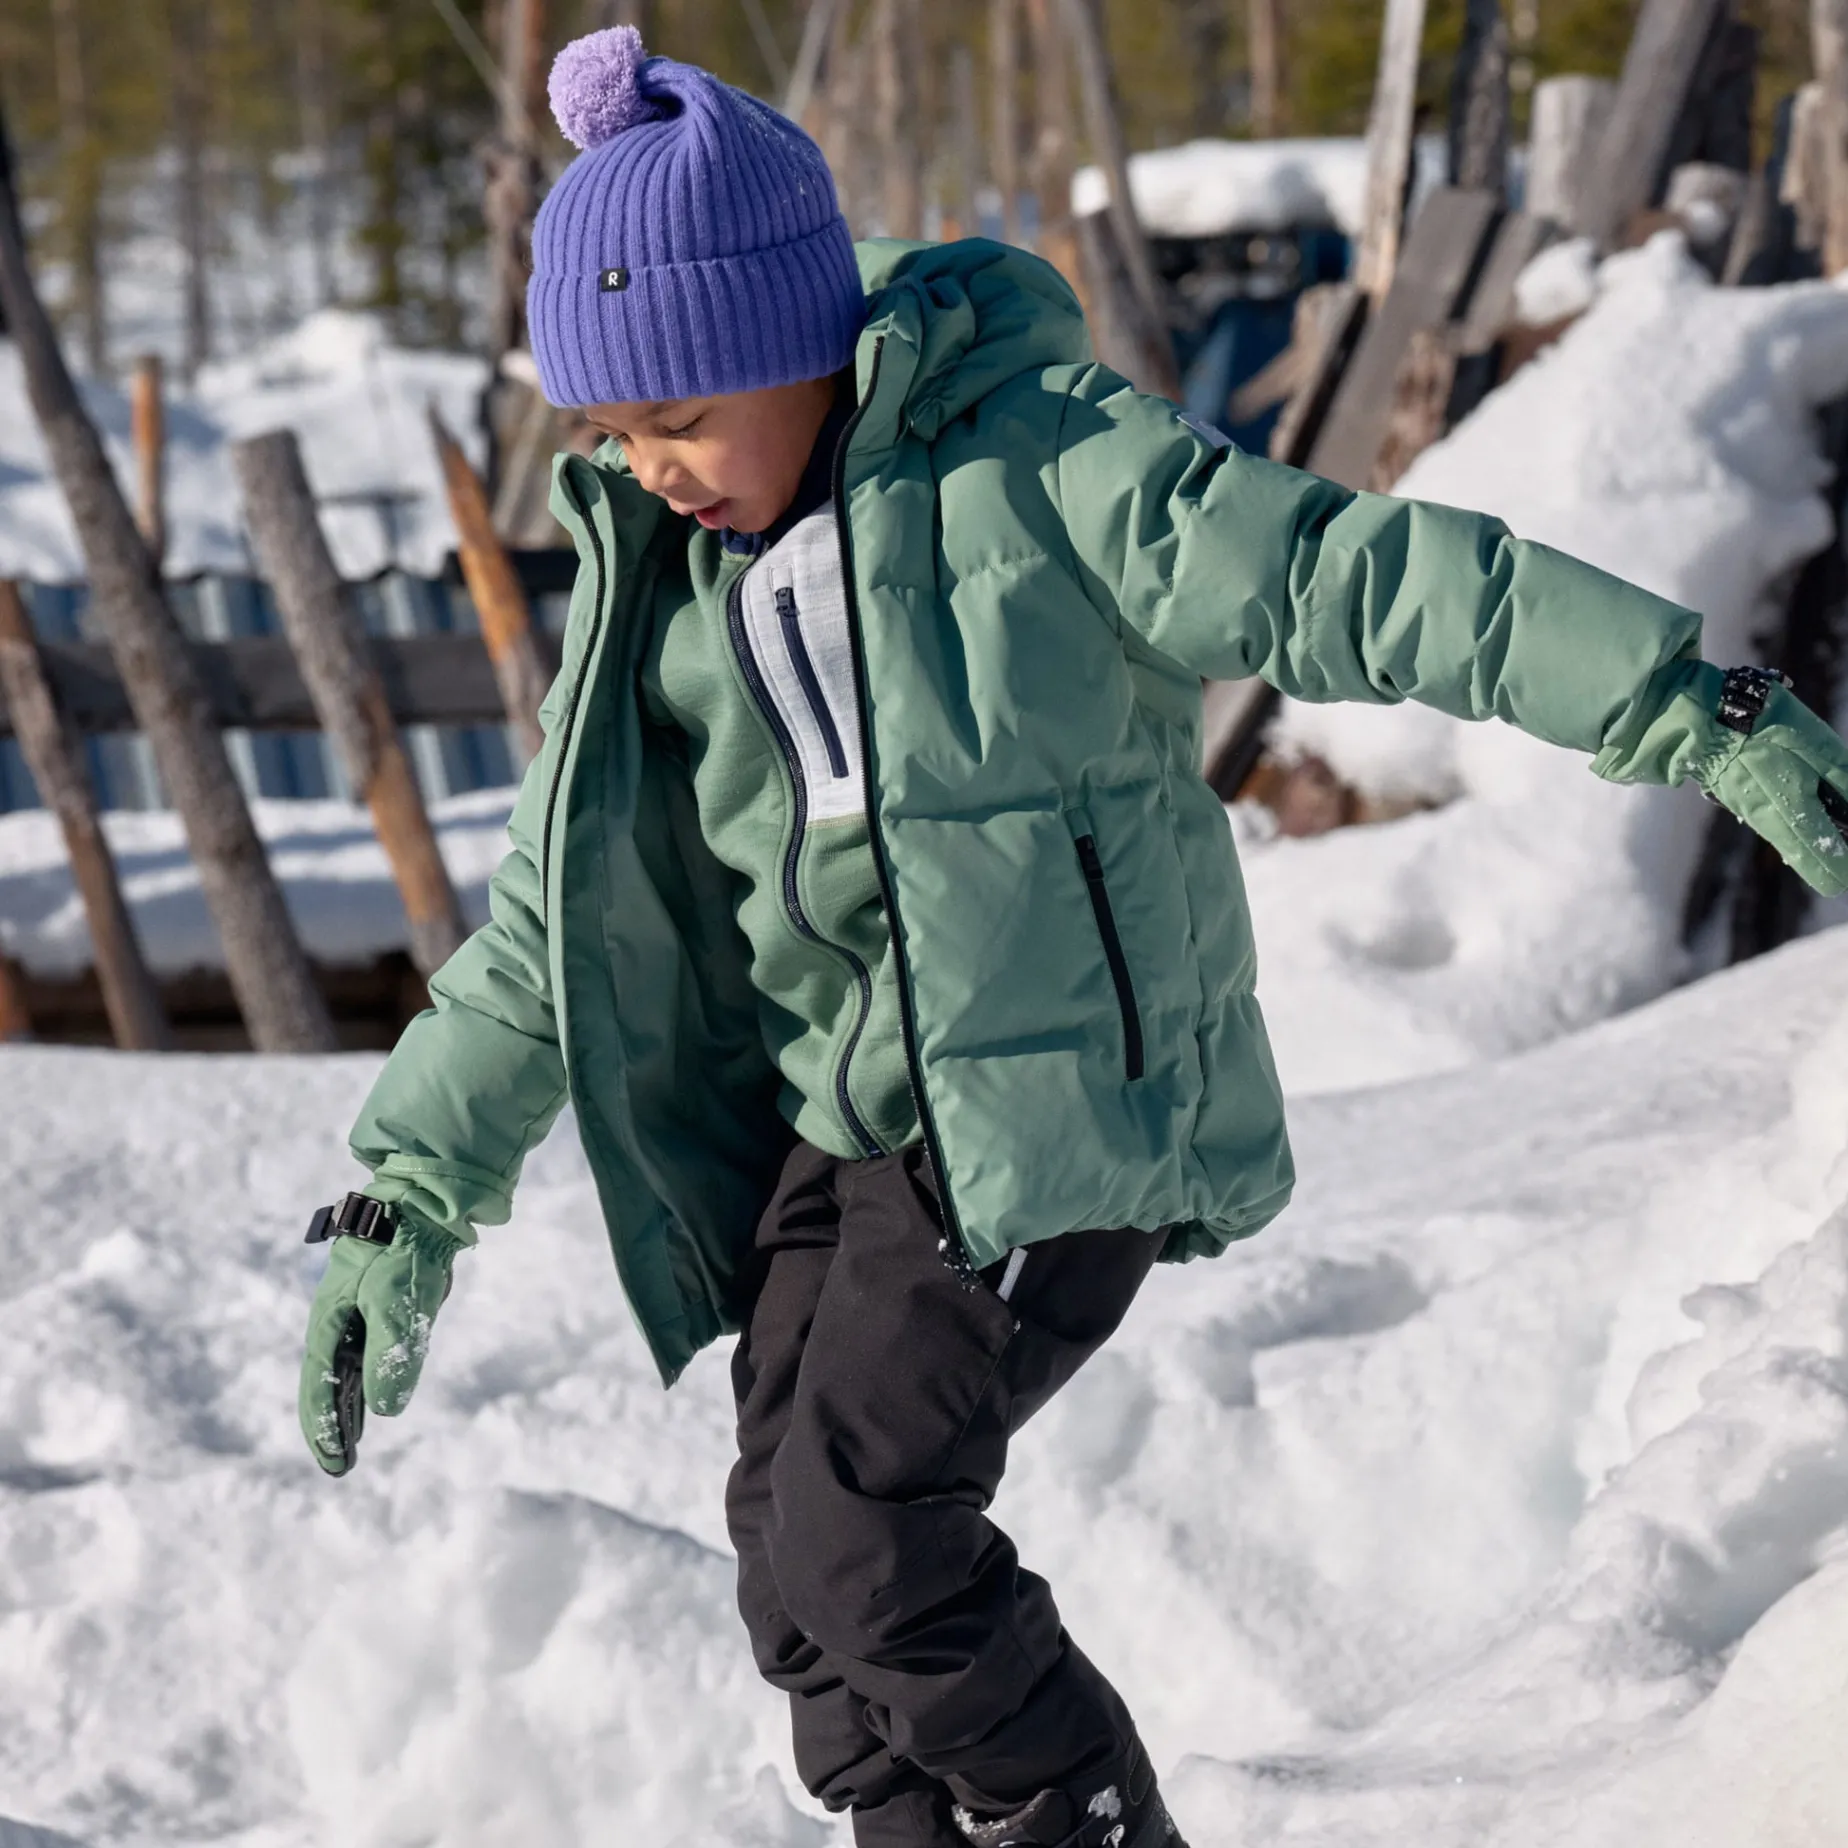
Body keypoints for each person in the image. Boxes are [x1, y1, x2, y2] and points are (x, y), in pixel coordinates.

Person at [296, 27, 1848, 1848]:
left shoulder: (1041, 466)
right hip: (843, 1137)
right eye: (613, 435)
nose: (649, 470)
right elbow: (546, 934)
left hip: (1047, 1126)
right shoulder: (664, 597)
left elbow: (1349, 576)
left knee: (867, 1538)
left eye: (682, 418)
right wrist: (405, 1198)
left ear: (800, 340)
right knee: (794, 1579)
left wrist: (1676, 699)